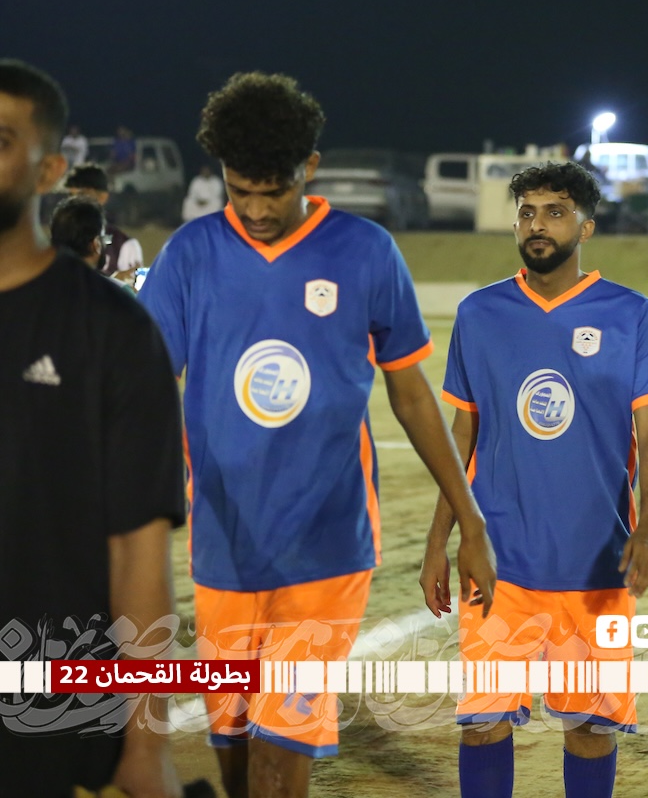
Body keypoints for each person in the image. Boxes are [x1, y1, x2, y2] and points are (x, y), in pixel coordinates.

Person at [138, 71, 498, 798]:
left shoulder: (365, 251)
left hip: (328, 546)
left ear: (309, 166)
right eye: (240, 191)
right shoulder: (190, 254)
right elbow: (144, 391)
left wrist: (470, 519)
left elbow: (410, 393)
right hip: (223, 546)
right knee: (234, 752)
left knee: (282, 758)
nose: (256, 210)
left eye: (272, 191)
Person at [420, 161, 648, 798]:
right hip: (498, 562)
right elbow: (463, 433)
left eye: (556, 213)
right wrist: (437, 541)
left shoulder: (630, 314)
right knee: (482, 726)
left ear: (586, 226)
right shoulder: (480, 313)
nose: (538, 225)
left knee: (590, 729)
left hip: (595, 566)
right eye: (528, 213)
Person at [0, 58, 186, 798]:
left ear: (49, 171)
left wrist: (147, 745)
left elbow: (138, 553)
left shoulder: (112, 331)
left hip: (42, 706)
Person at [63, 163, 143, 276]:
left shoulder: (124, 246)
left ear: (102, 197)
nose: (73, 202)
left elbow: (130, 285)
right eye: (70, 195)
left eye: (82, 194)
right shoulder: (60, 243)